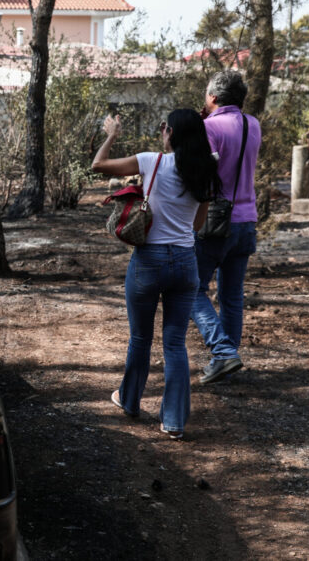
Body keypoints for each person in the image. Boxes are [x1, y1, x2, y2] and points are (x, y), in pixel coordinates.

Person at [93, 109, 221, 439]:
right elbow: (196, 226)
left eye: (165, 127)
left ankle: (130, 400)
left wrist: (112, 134)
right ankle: (174, 421)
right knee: (175, 344)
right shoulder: (206, 171)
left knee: (140, 337)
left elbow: (99, 165)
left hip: (149, 261)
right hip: (184, 262)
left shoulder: (153, 161)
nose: (163, 131)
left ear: (171, 133)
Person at [194, 71, 262, 384]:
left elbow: (200, 173)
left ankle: (222, 352)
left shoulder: (208, 127)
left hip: (216, 220)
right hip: (247, 220)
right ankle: (227, 359)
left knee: (193, 288)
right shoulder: (253, 124)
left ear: (214, 98)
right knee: (232, 295)